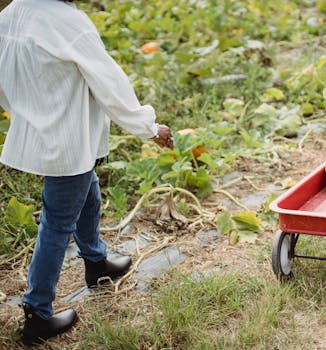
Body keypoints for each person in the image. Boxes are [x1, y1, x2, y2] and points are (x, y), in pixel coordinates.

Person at [0, 0, 173, 345]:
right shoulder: (69, 23)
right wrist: (149, 128)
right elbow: (111, 84)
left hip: (43, 133)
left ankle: (95, 262)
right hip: (67, 139)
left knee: (88, 191)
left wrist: (24, 110)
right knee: (56, 224)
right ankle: (37, 313)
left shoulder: (11, 14)